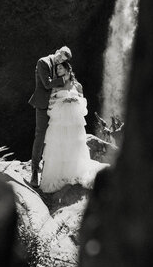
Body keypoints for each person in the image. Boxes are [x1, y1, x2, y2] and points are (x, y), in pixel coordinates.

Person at [40, 61, 107, 193]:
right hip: (60, 120)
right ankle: (61, 174)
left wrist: (75, 100)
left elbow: (83, 102)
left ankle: (74, 172)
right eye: (57, 68)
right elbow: (51, 103)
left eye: (60, 68)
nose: (58, 70)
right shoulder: (56, 85)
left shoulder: (78, 85)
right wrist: (63, 101)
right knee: (60, 144)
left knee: (75, 144)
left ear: (67, 69)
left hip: (74, 120)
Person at [28, 46, 72, 187]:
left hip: (57, 106)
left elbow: (69, 81)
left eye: (63, 60)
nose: (60, 60)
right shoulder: (43, 62)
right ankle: (34, 170)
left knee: (54, 136)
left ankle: (49, 170)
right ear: (57, 50)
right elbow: (47, 84)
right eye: (60, 56)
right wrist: (63, 80)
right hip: (43, 105)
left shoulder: (60, 67)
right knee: (40, 135)